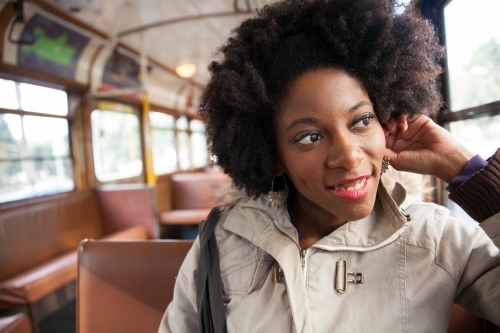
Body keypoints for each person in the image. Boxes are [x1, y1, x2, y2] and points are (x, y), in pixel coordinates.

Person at [159, 0, 500, 332]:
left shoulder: (436, 237)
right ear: (272, 155)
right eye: (309, 137)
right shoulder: (222, 239)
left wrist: (470, 173)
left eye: (362, 120)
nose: (349, 157)